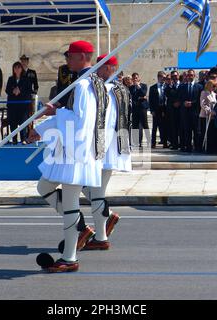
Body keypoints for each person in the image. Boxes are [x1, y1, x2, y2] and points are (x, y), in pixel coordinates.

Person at [28, 40, 108, 273]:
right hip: (75, 150)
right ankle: (80, 230)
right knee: (45, 187)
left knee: (71, 204)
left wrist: (57, 111)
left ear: (82, 56)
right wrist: (41, 130)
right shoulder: (94, 83)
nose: (66, 60)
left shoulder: (84, 85)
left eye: (70, 56)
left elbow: (80, 122)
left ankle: (69, 257)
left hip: (75, 152)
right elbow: (74, 116)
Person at [81, 53, 131, 250]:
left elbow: (100, 119)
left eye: (101, 67)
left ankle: (101, 238)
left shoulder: (106, 89)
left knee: (96, 192)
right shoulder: (120, 88)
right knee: (91, 189)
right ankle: (106, 221)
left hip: (103, 146)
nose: (97, 70)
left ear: (110, 68)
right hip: (112, 146)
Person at [5, 61, 32, 145]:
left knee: (23, 122)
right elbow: (7, 90)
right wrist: (13, 91)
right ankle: (14, 139)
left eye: (18, 67)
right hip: (12, 105)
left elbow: (29, 90)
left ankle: (23, 138)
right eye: (15, 67)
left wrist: (20, 91)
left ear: (21, 69)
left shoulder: (26, 79)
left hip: (23, 105)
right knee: (13, 122)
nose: (17, 69)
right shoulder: (10, 79)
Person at [178, 69, 203, 152]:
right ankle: (188, 147)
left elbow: (200, 99)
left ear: (194, 76)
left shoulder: (199, 87)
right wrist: (183, 103)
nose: (189, 77)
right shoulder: (182, 87)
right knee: (187, 131)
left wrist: (191, 103)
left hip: (195, 112)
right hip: (185, 113)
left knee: (196, 131)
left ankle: (197, 147)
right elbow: (179, 98)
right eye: (188, 75)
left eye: (191, 75)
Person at [129, 73, 150, 147]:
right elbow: (132, 97)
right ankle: (136, 142)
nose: (135, 79)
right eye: (133, 78)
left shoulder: (143, 85)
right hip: (135, 108)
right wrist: (140, 98)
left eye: (136, 78)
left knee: (145, 124)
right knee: (135, 125)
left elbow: (143, 93)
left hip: (142, 108)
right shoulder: (131, 87)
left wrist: (139, 87)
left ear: (139, 78)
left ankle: (149, 141)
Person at [149, 71, 166, 148]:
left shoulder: (166, 87)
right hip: (156, 110)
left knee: (164, 127)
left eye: (164, 77)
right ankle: (153, 143)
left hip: (164, 110)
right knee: (154, 127)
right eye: (162, 77)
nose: (164, 79)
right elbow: (151, 100)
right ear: (159, 77)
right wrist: (152, 110)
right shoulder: (153, 88)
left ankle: (165, 142)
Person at [199, 80, 217, 153]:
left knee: (211, 133)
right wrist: (209, 111)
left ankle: (211, 147)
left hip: (213, 117)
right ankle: (205, 148)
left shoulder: (214, 94)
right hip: (205, 116)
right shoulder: (204, 93)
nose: (214, 87)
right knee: (205, 132)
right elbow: (202, 104)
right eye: (213, 86)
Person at [165, 70, 182, 150]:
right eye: (172, 76)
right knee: (173, 128)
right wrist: (170, 86)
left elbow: (184, 95)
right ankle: (174, 144)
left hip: (181, 110)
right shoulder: (168, 86)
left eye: (175, 76)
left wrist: (179, 102)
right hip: (172, 109)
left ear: (178, 76)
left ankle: (182, 144)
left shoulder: (182, 85)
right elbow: (167, 95)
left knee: (182, 128)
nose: (174, 78)